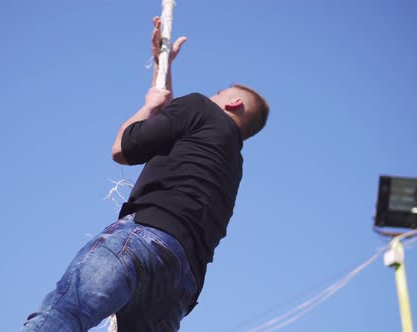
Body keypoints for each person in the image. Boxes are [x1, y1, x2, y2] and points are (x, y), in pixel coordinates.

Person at [22, 17, 269, 332]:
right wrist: (161, 67)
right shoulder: (231, 162)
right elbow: (172, 125)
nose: (211, 96)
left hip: (143, 240)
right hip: (180, 287)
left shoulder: (201, 108)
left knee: (64, 316)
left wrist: (147, 106)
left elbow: (123, 148)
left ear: (232, 102)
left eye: (218, 92)